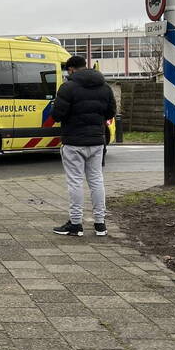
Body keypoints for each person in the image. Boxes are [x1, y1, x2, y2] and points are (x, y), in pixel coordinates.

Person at [50, 55, 116, 237]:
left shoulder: (68, 87)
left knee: (75, 181)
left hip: (73, 142)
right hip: (96, 141)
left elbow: (57, 115)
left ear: (71, 69)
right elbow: (111, 112)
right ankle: (100, 224)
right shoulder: (105, 87)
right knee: (96, 180)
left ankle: (76, 224)